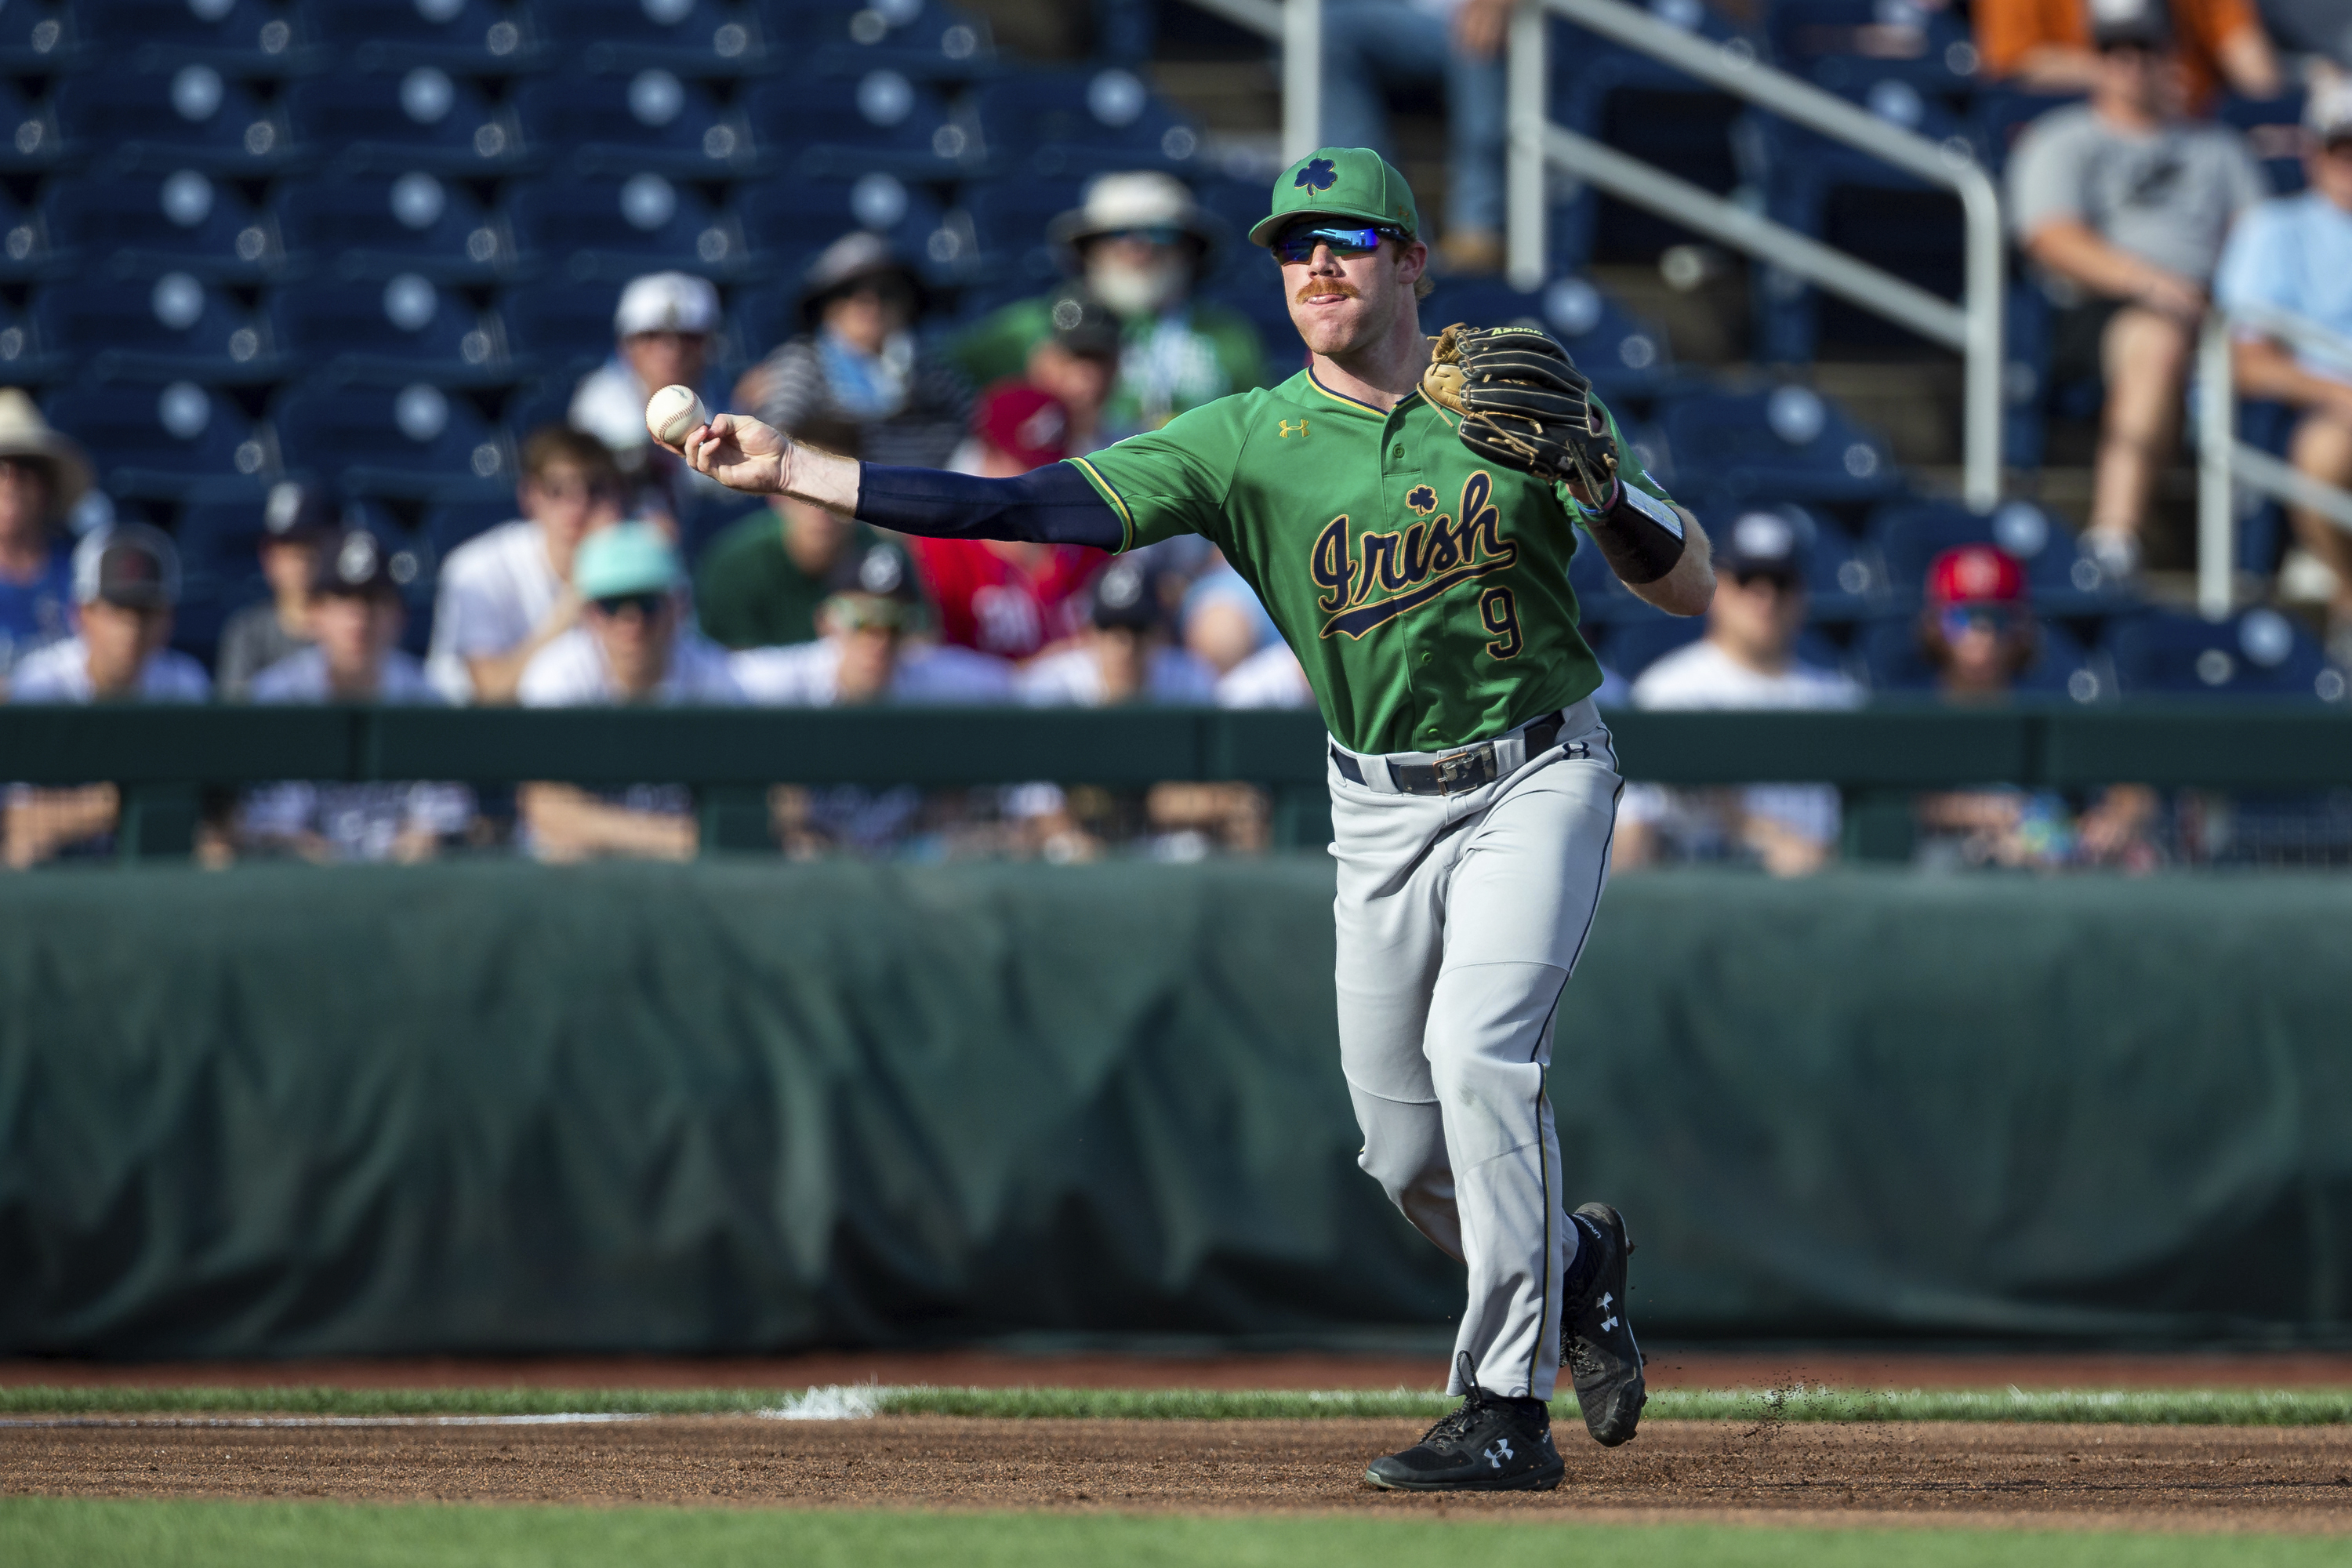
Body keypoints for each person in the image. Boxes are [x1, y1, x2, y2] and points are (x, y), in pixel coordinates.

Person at [666, 144, 1715, 1490]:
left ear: (1411, 261)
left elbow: (1686, 587)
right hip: (1380, 808)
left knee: (1480, 1057)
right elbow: (1019, 504)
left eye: (1346, 237)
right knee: (1402, 1150)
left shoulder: (1510, 395)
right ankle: (1579, 1263)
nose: (1316, 264)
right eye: (1293, 246)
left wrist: (1603, 484)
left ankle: (1505, 1403)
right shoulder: (1243, 439)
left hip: (1537, 771)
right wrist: (801, 470)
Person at [2009, 0, 2268, 575]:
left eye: (2144, 47)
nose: (2129, 63)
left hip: (2215, 313)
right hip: (2092, 311)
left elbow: (2259, 243)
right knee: (2156, 340)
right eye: (2113, 48)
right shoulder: (2063, 138)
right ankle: (2114, 540)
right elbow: (2052, 238)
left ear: (2170, 53)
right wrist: (2151, 283)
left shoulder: (2219, 149)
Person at [1615, 511, 1861, 878]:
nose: (1766, 598)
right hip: (1708, 888)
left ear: (1801, 595)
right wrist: (1774, 840)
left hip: (1824, 893)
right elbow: (1642, 828)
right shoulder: (1670, 689)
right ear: (1716, 587)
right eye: (1748, 581)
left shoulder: (1840, 696)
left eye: (1780, 583)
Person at [949, 174, 1267, 441]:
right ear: (1088, 250)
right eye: (1119, 233)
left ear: (1189, 250)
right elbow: (945, 389)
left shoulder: (1230, 336)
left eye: (1161, 233)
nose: (1140, 249)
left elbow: (1256, 434)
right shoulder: (1028, 326)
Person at [1911, 544, 2162, 869]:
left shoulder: (2048, 714)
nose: (1982, 633)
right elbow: (1905, 805)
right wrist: (1982, 812)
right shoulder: (1914, 717)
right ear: (1934, 625)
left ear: (2020, 629)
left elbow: (2131, 789)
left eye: (1997, 619)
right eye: (1963, 617)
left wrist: (2116, 820)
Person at [239, 528, 475, 863]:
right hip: (301, 891)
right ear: (314, 614)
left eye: (374, 600)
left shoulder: (428, 699)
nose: (359, 619)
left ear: (400, 617)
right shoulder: (276, 697)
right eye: (342, 600)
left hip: (404, 888)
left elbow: (438, 822)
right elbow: (273, 830)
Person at [2214, 80, 2352, 648]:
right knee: (2329, 450)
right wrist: (2340, 393)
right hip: (2312, 415)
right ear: (2313, 153)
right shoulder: (2274, 228)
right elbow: (2244, 360)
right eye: (2342, 147)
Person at [515, 523, 742, 862]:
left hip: (684, 876)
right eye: (612, 605)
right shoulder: (557, 676)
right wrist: (676, 838)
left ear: (676, 608)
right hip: (587, 874)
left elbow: (755, 800)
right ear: (591, 615)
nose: (630, 623)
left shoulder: (716, 675)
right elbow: (549, 811)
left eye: (647, 604)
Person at [5, 525, 210, 868]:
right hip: (58, 875)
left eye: (145, 612)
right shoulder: (41, 682)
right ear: (81, 615)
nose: (132, 628)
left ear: (167, 619)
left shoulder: (184, 684)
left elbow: (207, 819)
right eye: (117, 610)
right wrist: (120, 801)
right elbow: (15, 822)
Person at [426, 426, 625, 705]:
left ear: (615, 496)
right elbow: (490, 693)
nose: (578, 505)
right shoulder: (477, 567)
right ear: (530, 496)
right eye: (558, 489)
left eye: (595, 489)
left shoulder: (634, 564)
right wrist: (574, 602)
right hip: (468, 736)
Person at [739, 233, 970, 469]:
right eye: (849, 291)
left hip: (928, 497)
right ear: (826, 306)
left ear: (909, 304)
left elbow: (977, 434)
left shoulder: (926, 365)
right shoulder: (802, 362)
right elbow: (775, 442)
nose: (871, 304)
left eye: (887, 291)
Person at [913, 383, 1106, 662]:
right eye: (1027, 469)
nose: (1044, 486)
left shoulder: (1097, 543)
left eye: (1056, 469)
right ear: (986, 457)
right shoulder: (938, 546)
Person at [1321, 0, 1512, 273]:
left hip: (1490, 25)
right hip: (1405, 16)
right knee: (1322, 30)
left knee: (1480, 35)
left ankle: (1479, 228)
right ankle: (1375, 214)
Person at [692, 426, 919, 652]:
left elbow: (921, 647)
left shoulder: (887, 558)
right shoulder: (735, 566)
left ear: (862, 499)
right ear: (776, 495)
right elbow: (726, 674)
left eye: (839, 490)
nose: (822, 506)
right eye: (806, 491)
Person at [730, 544, 1015, 706]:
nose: (878, 640)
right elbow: (718, 678)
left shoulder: (930, 680)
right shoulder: (790, 682)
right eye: (861, 621)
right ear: (827, 622)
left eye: (894, 624)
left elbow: (1020, 687)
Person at [1977, 0, 2282, 112]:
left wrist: (2268, 109)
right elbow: (2015, 60)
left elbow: (2239, 40)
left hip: (2196, 129)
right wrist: (2134, 80)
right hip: (2082, 130)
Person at [1017, 557, 1217, 706]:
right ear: (1089, 634)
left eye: (1137, 629)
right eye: (1110, 628)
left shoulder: (1189, 679)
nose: (1125, 647)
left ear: (1158, 634)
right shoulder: (1053, 683)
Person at [0, 388, 92, 680]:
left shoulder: (82, 573)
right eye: (1, 469)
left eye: (27, 468)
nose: (11, 482)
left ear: (47, 486)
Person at [214, 481, 336, 699]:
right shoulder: (247, 632)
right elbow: (235, 720)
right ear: (266, 554)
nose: (301, 558)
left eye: (310, 543)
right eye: (288, 545)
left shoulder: (354, 628)